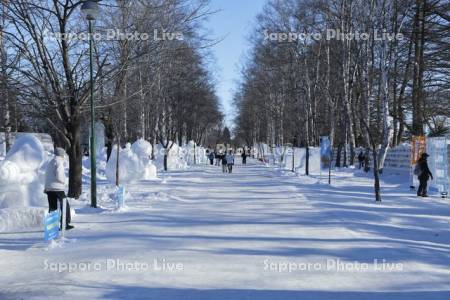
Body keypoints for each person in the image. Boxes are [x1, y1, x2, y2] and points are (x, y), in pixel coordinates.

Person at [45, 147, 74, 230]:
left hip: (49, 188)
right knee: (65, 205)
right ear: (61, 155)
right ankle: (65, 224)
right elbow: (59, 175)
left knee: (52, 207)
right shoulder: (58, 162)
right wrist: (64, 181)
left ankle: (51, 226)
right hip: (57, 188)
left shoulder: (51, 162)